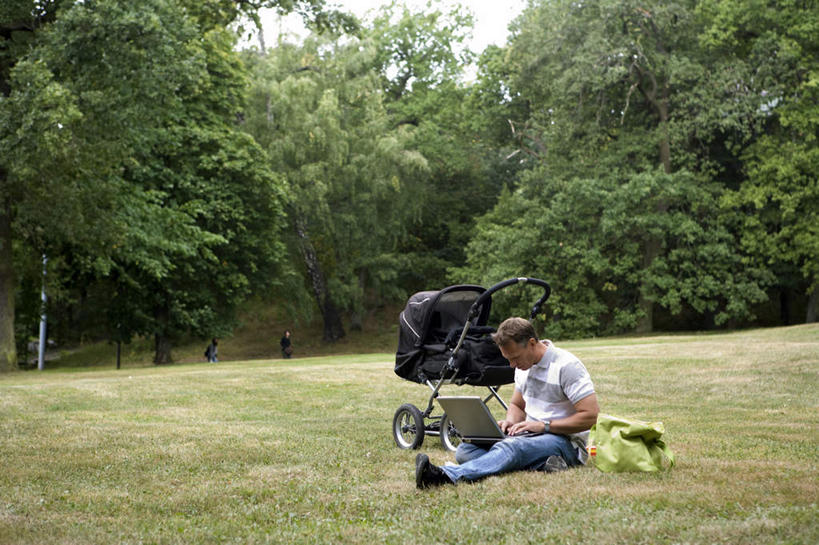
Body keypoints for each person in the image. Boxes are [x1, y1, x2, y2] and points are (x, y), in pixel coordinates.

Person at [415, 317, 600, 488]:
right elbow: (517, 405)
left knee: (511, 447)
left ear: (532, 343)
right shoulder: (522, 367)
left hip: (566, 443)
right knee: (465, 450)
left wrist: (543, 426)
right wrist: (510, 421)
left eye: (515, 358)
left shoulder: (567, 366)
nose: (511, 365)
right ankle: (541, 463)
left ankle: (447, 475)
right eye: (508, 359)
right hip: (529, 436)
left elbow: (590, 416)